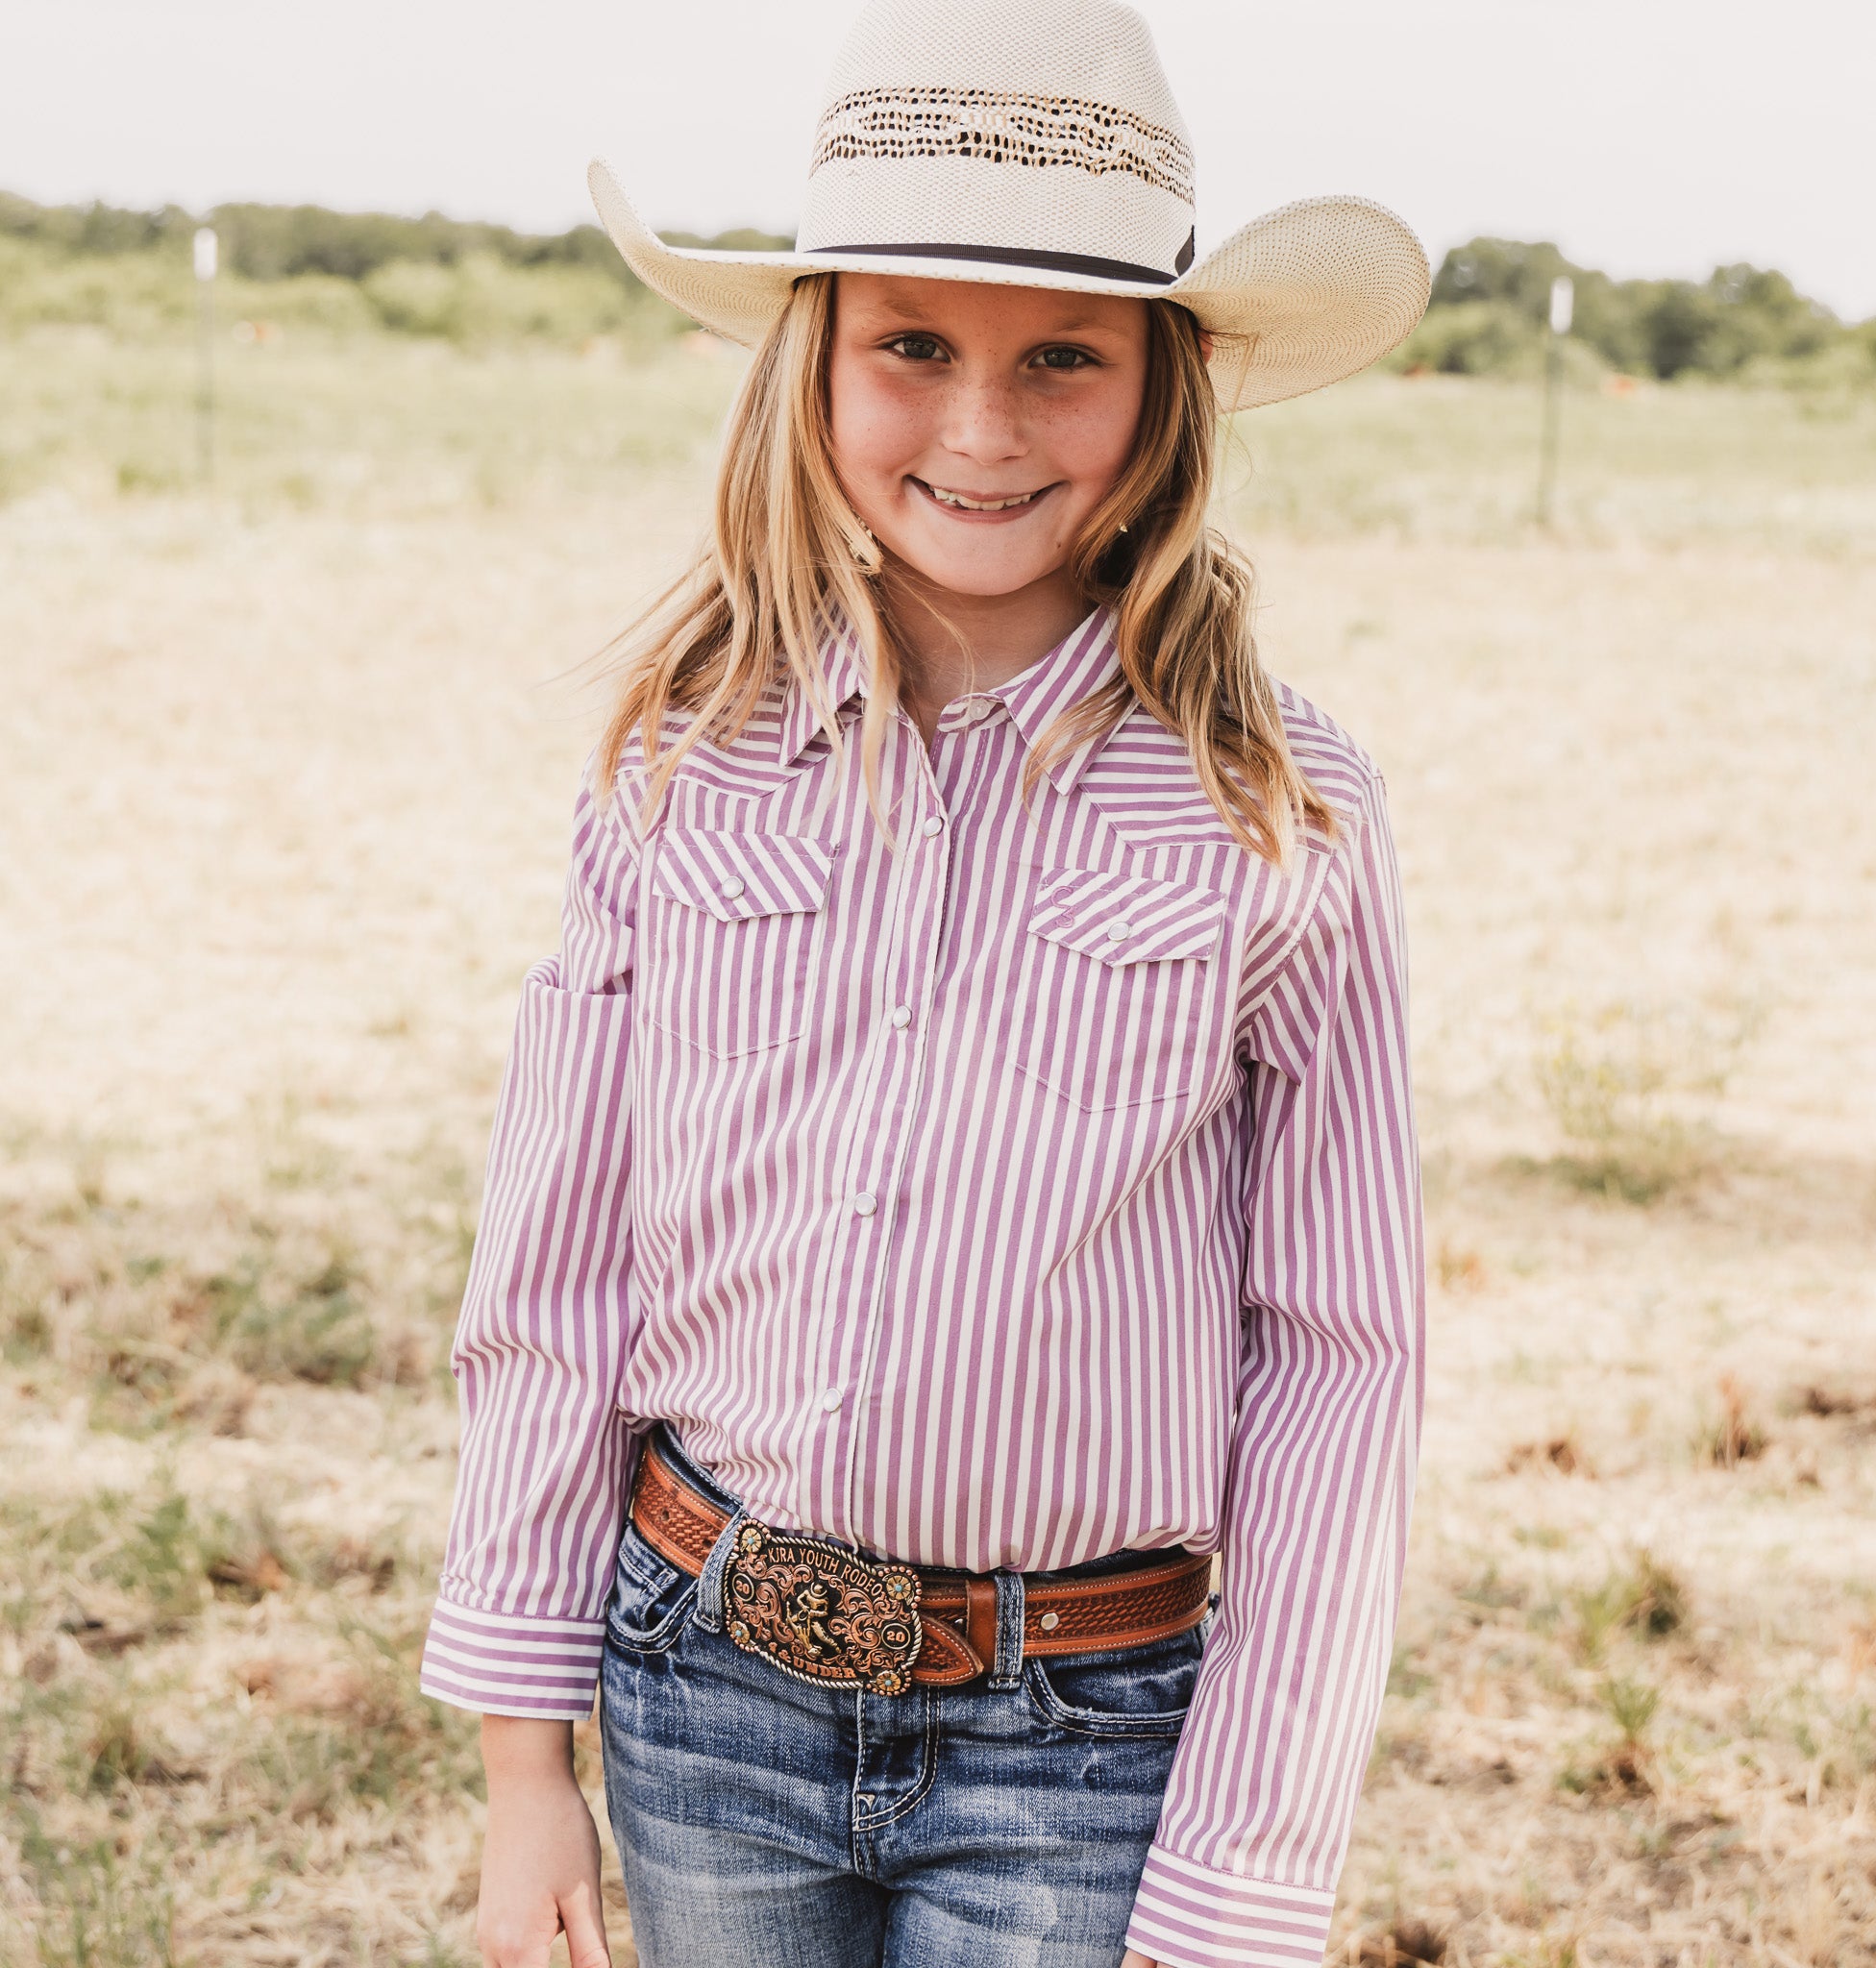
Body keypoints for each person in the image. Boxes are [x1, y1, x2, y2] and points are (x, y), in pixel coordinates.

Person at [419, 3, 1431, 1964]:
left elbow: (1340, 1356)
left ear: (1166, 390)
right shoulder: (676, 752)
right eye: (912, 347)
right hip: (701, 1687)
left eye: (1061, 356)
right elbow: (551, 1277)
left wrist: (1244, 1867)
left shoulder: (1274, 803)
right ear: (811, 366)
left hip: (1083, 1732)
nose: (980, 428)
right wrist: (523, 1766)